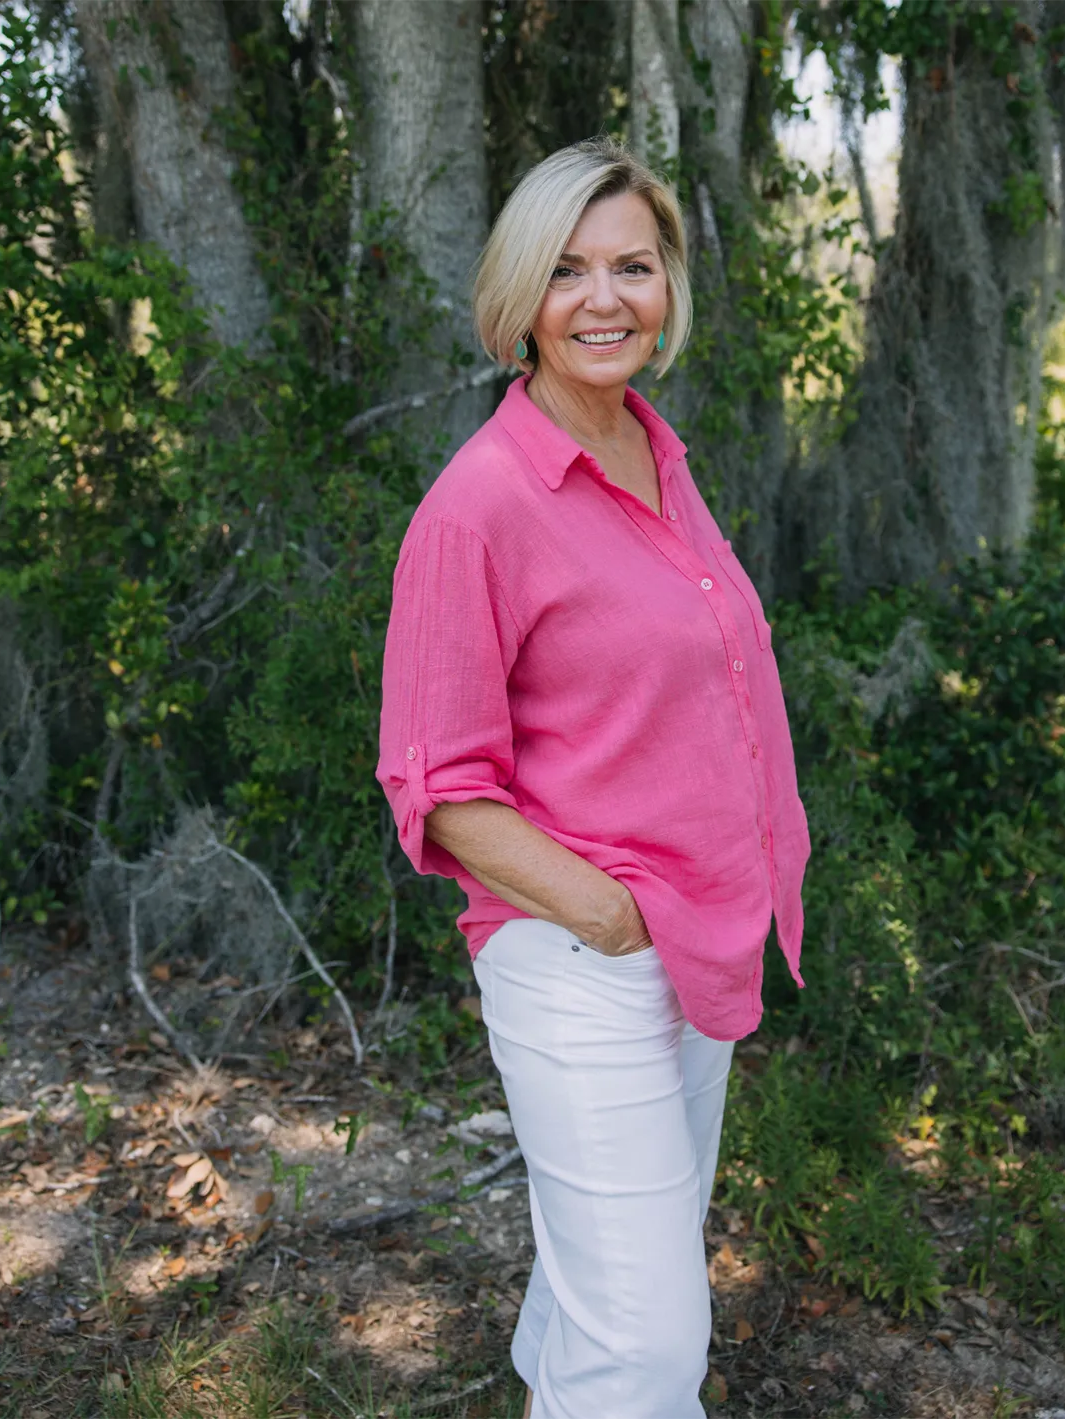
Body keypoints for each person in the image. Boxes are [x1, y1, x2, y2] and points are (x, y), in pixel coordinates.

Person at [376, 135, 810, 1419]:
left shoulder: (658, 461)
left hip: (699, 942)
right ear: (522, 299)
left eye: (632, 265)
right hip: (588, 959)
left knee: (597, 1300)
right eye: (567, 271)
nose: (604, 298)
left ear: (669, 284)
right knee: (650, 1341)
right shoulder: (483, 504)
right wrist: (608, 916)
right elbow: (438, 786)